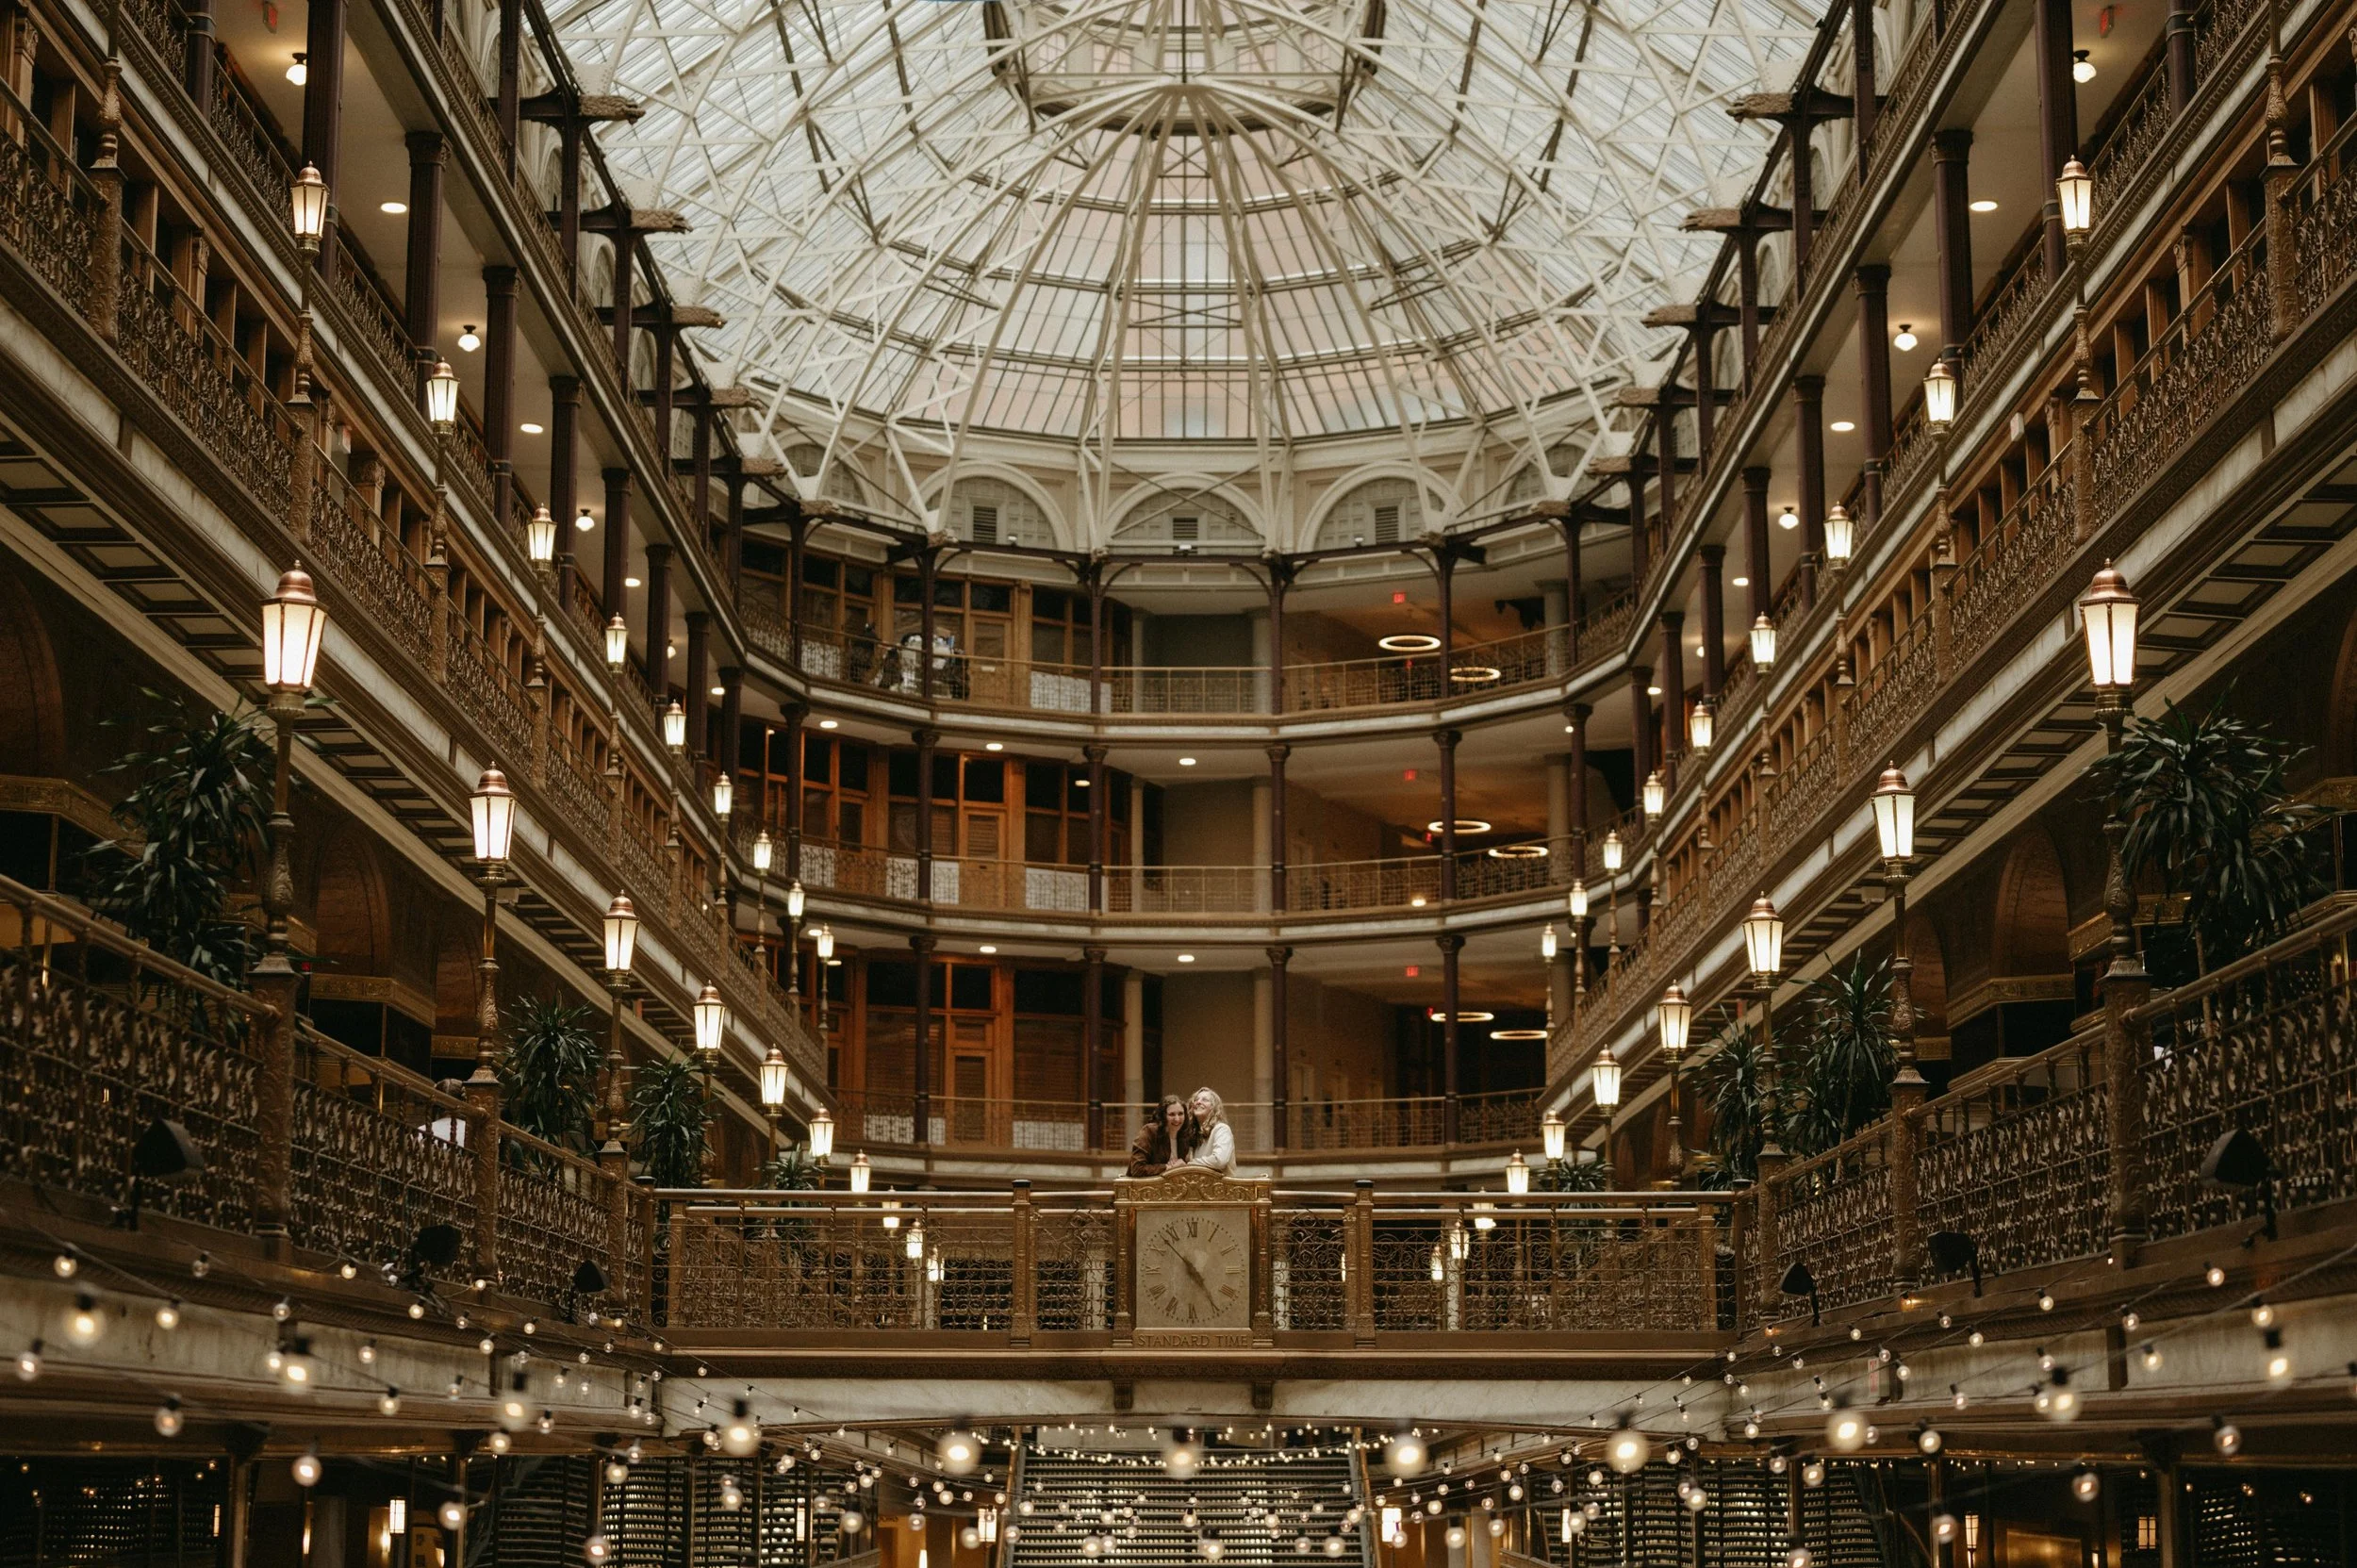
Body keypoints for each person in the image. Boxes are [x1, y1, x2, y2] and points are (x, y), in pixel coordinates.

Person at [1127, 1096, 1194, 1177]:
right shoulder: (1149, 1131)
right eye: (1172, 1114)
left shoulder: (1184, 1135)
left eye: (1180, 1114)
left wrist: (1184, 1165)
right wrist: (1167, 1167)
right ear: (1163, 1116)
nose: (1177, 1119)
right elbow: (1137, 1169)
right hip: (1145, 1186)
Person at [1182, 1086, 1234, 1175]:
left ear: (1213, 1107)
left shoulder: (1221, 1129)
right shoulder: (1195, 1133)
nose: (1198, 1102)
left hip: (1221, 1187)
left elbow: (1219, 1160)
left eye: (1205, 1100)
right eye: (1196, 1100)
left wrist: (1189, 1164)